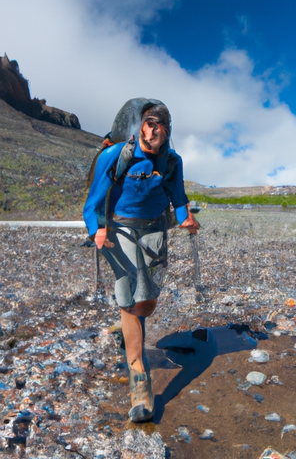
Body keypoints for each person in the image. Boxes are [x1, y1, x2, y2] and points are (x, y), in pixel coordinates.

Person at [83, 99, 199, 422]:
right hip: (118, 230)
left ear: (167, 131)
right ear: (141, 126)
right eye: (149, 122)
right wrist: (98, 229)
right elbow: (91, 205)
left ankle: (128, 330)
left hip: (153, 230)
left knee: (145, 302)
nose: (153, 129)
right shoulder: (117, 156)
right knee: (129, 299)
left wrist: (185, 217)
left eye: (160, 124)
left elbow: (178, 198)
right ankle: (140, 382)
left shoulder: (172, 162)